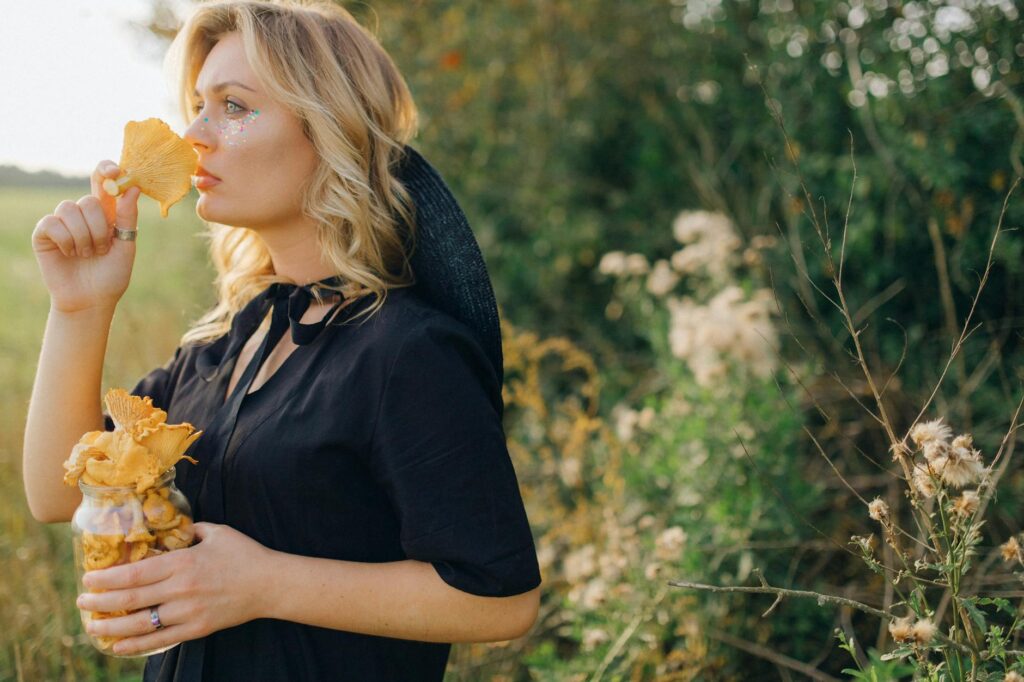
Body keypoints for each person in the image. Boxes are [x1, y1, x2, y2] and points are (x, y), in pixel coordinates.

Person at [22, 1, 542, 680]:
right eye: (198, 105)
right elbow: (58, 496)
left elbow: (502, 600)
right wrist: (80, 307)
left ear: (330, 129)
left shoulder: (407, 351)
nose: (194, 137)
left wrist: (263, 584)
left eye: (233, 106)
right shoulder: (229, 344)